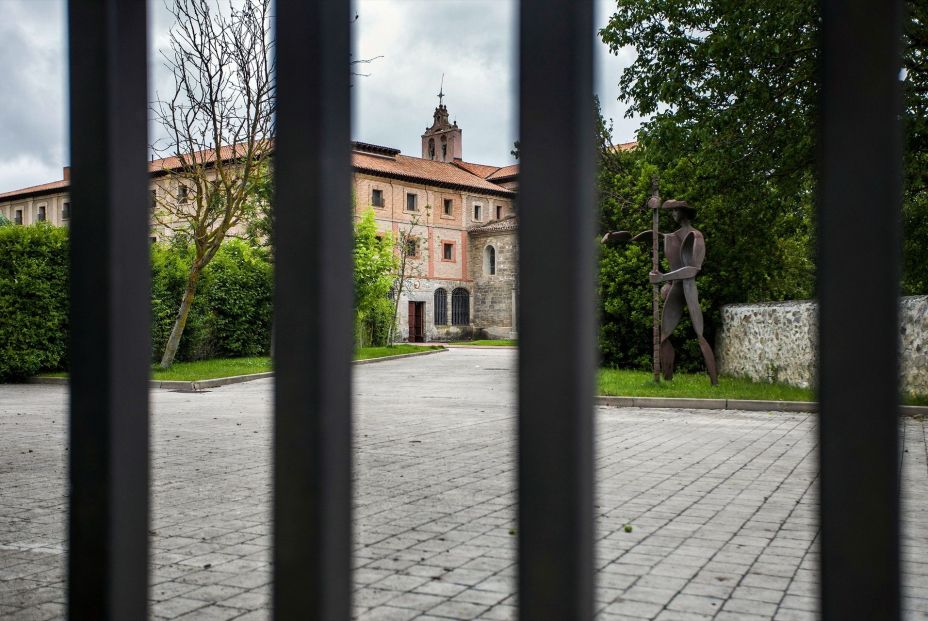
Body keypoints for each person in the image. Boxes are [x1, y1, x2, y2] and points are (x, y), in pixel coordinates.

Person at [601, 199, 718, 384]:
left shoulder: (696, 236)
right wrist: (616, 237)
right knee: (664, 337)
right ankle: (667, 380)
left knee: (699, 333)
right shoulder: (672, 236)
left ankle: (714, 381)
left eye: (674, 211)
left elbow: (693, 269)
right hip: (674, 289)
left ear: (683, 212)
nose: (672, 215)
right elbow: (648, 236)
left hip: (688, 288)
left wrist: (662, 278)